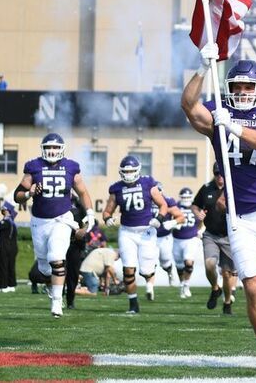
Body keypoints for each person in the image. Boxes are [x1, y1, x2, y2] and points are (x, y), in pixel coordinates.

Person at [181, 47, 256, 375]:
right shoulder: (219, 110)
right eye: (236, 86)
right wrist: (204, 68)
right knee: (253, 288)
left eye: (249, 86)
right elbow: (189, 106)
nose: (242, 92)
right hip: (241, 219)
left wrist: (232, 127)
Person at [14, 133, 96, 318]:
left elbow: (83, 192)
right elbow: (17, 194)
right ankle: (52, 286)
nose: (52, 151)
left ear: (62, 149)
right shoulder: (34, 167)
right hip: (40, 222)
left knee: (57, 257)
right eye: (48, 147)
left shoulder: (71, 167)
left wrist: (90, 213)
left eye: (55, 147)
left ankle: (57, 303)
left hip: (62, 219)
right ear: (43, 149)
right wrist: (29, 193)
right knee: (44, 268)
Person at [103, 155, 183, 313]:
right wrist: (107, 219)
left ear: (138, 170)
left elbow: (163, 205)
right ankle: (133, 304)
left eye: (132, 170)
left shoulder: (148, 183)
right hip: (127, 232)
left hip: (146, 232)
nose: (128, 174)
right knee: (128, 270)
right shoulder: (117, 188)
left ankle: (151, 275)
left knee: (146, 271)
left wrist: (159, 219)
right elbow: (107, 211)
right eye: (125, 171)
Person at [194, 162, 237, 314]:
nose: (220, 177)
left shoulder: (234, 188)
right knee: (210, 264)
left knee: (227, 273)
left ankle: (227, 302)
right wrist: (197, 213)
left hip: (229, 236)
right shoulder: (207, 188)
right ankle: (215, 288)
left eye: (222, 174)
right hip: (211, 234)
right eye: (217, 174)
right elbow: (195, 205)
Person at [172, 187, 203, 299]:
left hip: (191, 239)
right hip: (177, 239)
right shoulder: (176, 206)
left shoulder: (195, 207)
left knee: (189, 263)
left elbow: (201, 221)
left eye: (188, 197)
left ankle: (186, 284)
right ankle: (182, 285)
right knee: (180, 266)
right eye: (184, 197)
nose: (186, 199)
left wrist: (199, 231)